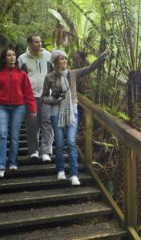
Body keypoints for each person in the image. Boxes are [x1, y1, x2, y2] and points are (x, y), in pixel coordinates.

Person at [41, 49, 109, 185]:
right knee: (59, 144)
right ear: (55, 61)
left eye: (65, 58)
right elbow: (43, 97)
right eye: (61, 59)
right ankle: (60, 170)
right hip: (56, 113)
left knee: (71, 142)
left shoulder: (73, 74)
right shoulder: (49, 77)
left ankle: (74, 174)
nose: (65, 61)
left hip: (72, 112)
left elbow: (91, 67)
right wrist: (54, 100)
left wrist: (102, 56)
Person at [0, 49, 36, 178]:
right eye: (9, 55)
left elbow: (28, 92)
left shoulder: (22, 74)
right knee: (2, 134)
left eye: (14, 55)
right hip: (1, 107)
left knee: (14, 136)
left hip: (19, 107)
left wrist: (32, 107)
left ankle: (13, 162)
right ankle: (0, 166)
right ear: (4, 58)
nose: (12, 57)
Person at [18, 35, 54, 162]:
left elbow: (56, 73)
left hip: (47, 95)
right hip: (30, 96)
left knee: (47, 122)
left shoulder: (49, 56)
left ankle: (46, 151)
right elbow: (18, 79)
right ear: (29, 43)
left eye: (40, 41)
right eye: (36, 42)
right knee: (32, 124)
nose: (40, 44)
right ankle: (33, 150)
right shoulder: (22, 59)